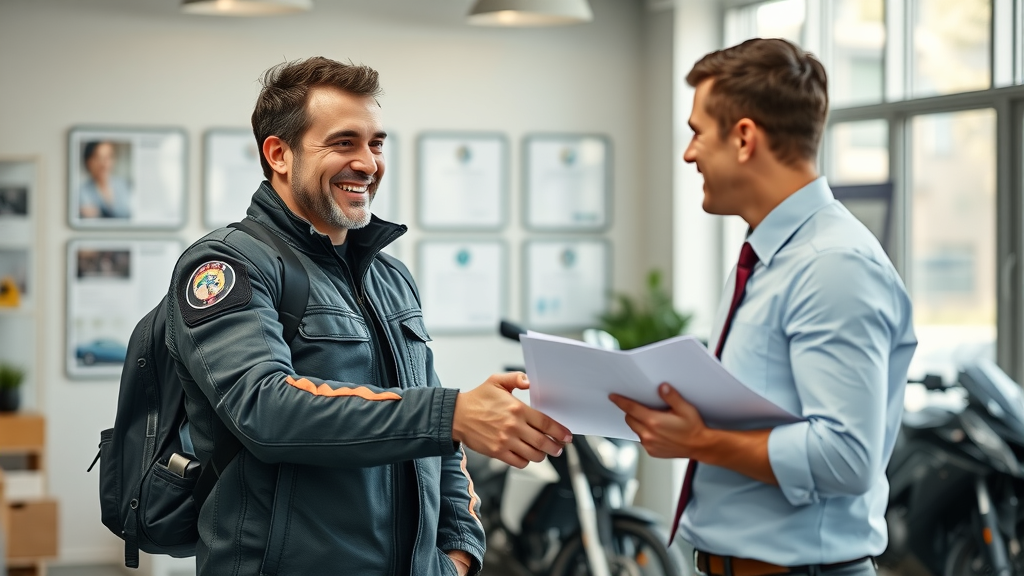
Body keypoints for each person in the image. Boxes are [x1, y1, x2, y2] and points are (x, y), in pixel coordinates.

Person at [165, 57, 572, 576]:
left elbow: (441, 442)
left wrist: (459, 554)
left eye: (376, 143)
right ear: (279, 154)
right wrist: (450, 414)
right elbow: (265, 408)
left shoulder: (391, 278)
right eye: (343, 143)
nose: (367, 162)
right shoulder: (227, 265)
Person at [610, 38, 917, 576]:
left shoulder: (833, 265)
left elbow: (846, 456)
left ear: (745, 138)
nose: (689, 153)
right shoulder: (767, 255)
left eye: (697, 133)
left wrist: (701, 441)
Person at [79, 141, 131, 219]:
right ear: (88, 161)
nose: (104, 164)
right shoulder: (81, 191)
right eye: (98, 157)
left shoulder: (124, 185)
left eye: (108, 157)